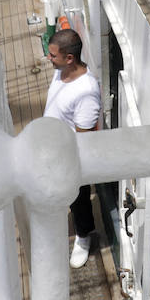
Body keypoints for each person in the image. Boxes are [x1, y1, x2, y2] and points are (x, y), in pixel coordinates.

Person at [44, 28, 102, 268]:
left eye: (53, 56)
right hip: (52, 147)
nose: (49, 58)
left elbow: (84, 140)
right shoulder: (62, 70)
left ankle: (83, 236)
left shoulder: (86, 93)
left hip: (69, 156)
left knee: (78, 198)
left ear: (69, 58)